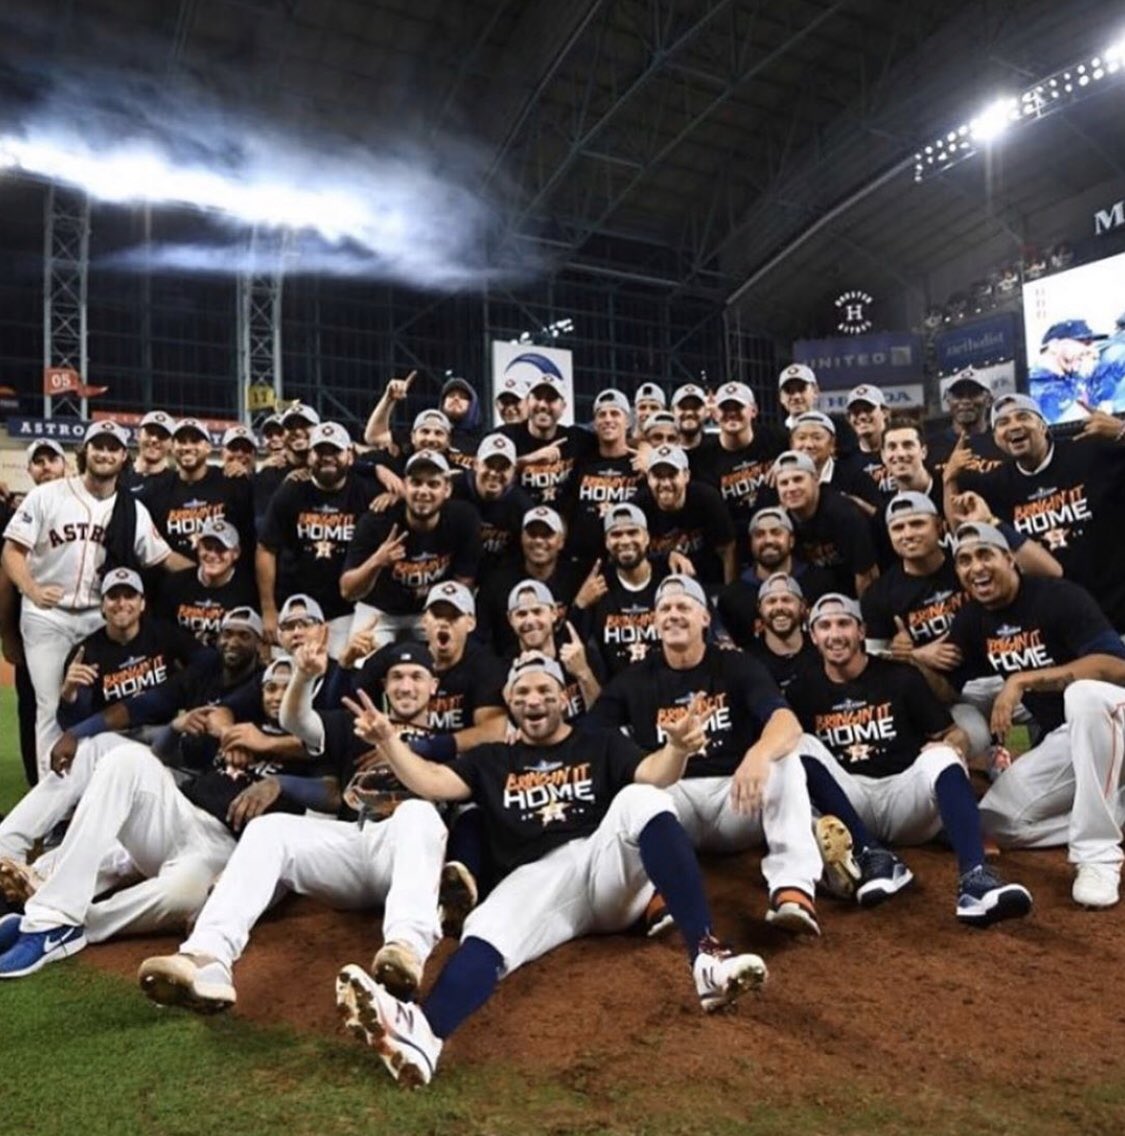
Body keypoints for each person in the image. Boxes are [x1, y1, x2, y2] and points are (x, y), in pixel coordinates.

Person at [334, 652, 769, 1087]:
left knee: (644, 800)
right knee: (486, 928)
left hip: (603, 866)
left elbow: (654, 774)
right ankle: (424, 1035)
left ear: (564, 697)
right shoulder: (490, 760)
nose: (533, 699)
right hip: (536, 880)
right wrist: (388, 742)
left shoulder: (600, 742)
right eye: (522, 691)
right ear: (508, 700)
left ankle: (708, 959)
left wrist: (675, 749)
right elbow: (431, 782)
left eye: (544, 689)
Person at [137, 638, 452, 1011]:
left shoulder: (451, 741)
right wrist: (303, 676)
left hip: (404, 851)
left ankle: (406, 949)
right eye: (397, 676)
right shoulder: (359, 723)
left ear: (434, 686)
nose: (405, 685)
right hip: (355, 840)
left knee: (417, 813)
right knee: (271, 830)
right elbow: (296, 721)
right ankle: (206, 960)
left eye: (417, 676)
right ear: (384, 684)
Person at [0, 660, 306, 977]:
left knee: (181, 894)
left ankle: (65, 917)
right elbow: (172, 752)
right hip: (183, 815)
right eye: (270, 688)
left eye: (287, 688)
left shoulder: (315, 747)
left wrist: (276, 771)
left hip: (225, 850)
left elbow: (321, 807)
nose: (276, 696)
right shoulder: (242, 724)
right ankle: (52, 912)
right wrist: (220, 733)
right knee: (125, 759)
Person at [593, 574, 824, 935]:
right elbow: (594, 738)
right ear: (654, 621)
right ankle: (655, 893)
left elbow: (787, 722)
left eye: (683, 606)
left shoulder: (736, 664)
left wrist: (759, 753)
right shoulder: (633, 679)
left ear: (705, 618)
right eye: (665, 608)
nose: (673, 615)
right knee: (634, 792)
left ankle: (793, 889)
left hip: (736, 799)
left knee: (786, 761)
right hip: (672, 803)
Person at [789, 593, 1033, 926]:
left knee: (943, 755)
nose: (835, 634)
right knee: (797, 744)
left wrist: (951, 745)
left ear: (861, 632)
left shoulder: (899, 676)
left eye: (844, 623)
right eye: (825, 626)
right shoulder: (802, 689)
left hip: (905, 799)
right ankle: (871, 855)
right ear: (813, 636)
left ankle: (975, 880)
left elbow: (954, 732)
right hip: (850, 804)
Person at [938, 523, 1125, 909]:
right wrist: (916, 656)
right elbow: (950, 690)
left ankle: (1097, 855)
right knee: (994, 820)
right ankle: (1114, 811)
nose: (976, 567)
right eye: (964, 560)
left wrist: (1023, 679)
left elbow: (1115, 667)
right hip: (1074, 738)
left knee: (1084, 695)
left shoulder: (1059, 597)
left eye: (985, 554)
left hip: (1114, 713)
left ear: (1011, 560)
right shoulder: (972, 620)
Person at [1, 421, 191, 779]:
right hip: (48, 616)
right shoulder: (48, 496)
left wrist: (214, 575)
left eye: (112, 447)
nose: (104, 453)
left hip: (97, 617)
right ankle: (51, 807)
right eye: (97, 446)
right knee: (51, 707)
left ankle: (89, 792)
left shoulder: (132, 509)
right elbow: (11, 553)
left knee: (98, 708)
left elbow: (163, 557)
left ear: (123, 457)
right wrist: (32, 589)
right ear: (84, 452)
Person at [945, 393, 1125, 631]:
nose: (1014, 426)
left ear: (1043, 425)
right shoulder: (998, 483)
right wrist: (949, 478)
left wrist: (1122, 430)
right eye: (1003, 423)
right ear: (996, 439)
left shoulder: (1089, 452)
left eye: (1023, 417)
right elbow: (961, 528)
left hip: (1116, 602)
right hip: (1060, 617)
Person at [258, 421, 378, 653]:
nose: (327, 457)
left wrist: (389, 492)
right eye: (320, 451)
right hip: (296, 609)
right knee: (289, 680)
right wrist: (269, 609)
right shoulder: (291, 490)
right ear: (309, 456)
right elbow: (266, 548)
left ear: (350, 456)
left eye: (334, 451)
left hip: (347, 611)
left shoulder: (366, 491)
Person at [342, 450, 481, 650]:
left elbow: (463, 583)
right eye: (416, 483)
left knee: (453, 657)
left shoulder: (463, 518)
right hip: (379, 609)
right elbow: (347, 590)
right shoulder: (377, 521)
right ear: (405, 486)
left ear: (447, 489)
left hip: (431, 610)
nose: (423, 491)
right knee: (358, 661)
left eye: (433, 484)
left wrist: (445, 622)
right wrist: (376, 562)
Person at [0, 439, 68, 786]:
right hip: (34, 632)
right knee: (34, 710)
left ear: (65, 465)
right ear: (29, 471)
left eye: (51, 459)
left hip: (78, 632)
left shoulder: (85, 508)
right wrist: (8, 635)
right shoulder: (19, 517)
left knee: (77, 709)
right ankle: (38, 787)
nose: (45, 466)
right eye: (37, 462)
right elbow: (6, 580)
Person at [717, 506, 836, 649]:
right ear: (751, 543)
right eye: (759, 534)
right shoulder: (732, 597)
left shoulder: (821, 583)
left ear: (791, 540)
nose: (768, 540)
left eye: (776, 532)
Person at [139, 417, 255, 561]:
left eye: (195, 441)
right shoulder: (156, 491)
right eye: (181, 441)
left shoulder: (231, 482)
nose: (187, 447)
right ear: (172, 447)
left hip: (224, 578)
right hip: (175, 579)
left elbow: (249, 540)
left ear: (208, 448)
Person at [475, 505, 584, 657]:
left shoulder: (575, 580)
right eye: (532, 534)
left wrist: (579, 606)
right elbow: (481, 639)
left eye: (547, 535)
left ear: (561, 541)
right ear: (522, 538)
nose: (538, 541)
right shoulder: (496, 583)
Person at [571, 503, 666, 676]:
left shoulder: (668, 578)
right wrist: (580, 605)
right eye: (616, 534)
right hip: (616, 693)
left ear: (647, 538)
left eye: (632, 532)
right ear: (607, 542)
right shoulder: (597, 586)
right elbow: (569, 647)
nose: (624, 541)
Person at [772, 450, 878, 598]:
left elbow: (867, 574)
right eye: (784, 483)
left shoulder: (843, 513)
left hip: (854, 591)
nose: (791, 488)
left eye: (798, 479)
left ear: (815, 479)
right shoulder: (781, 521)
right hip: (816, 593)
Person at [693, 381, 784, 539]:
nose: (732, 413)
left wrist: (786, 461)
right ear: (714, 414)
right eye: (725, 408)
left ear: (754, 410)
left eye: (738, 407)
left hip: (775, 533)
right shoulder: (703, 456)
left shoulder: (776, 439)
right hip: (730, 538)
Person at [564, 389, 644, 569]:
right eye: (602, 415)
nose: (608, 419)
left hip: (626, 560)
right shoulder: (581, 462)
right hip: (581, 562)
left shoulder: (640, 464)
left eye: (615, 413)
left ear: (628, 421)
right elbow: (567, 508)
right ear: (594, 423)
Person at [639, 444, 736, 591]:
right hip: (658, 588)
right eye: (658, 476)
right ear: (648, 478)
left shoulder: (707, 498)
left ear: (686, 475)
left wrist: (730, 594)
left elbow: (728, 549)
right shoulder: (639, 506)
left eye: (672, 475)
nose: (665, 483)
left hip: (707, 583)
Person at [506, 579, 601, 721]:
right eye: (521, 614)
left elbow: (603, 717)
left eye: (537, 611)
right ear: (510, 620)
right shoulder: (505, 668)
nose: (530, 621)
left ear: (554, 613)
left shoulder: (581, 654)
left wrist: (583, 673)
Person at [156, 518, 259, 647]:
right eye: (207, 547)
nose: (212, 555)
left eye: (221, 549)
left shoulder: (248, 589)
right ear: (198, 549)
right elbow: (163, 634)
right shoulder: (175, 584)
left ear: (235, 553)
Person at [500, 372, 597, 506]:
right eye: (537, 397)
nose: (543, 405)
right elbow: (484, 474)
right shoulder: (507, 436)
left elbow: (614, 444)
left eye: (551, 399)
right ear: (527, 401)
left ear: (563, 407)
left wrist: (637, 448)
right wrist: (529, 460)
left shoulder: (576, 438)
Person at [450, 434, 534, 573]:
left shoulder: (521, 505)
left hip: (496, 576)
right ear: (476, 464)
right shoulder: (452, 489)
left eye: (503, 467)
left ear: (513, 472)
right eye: (489, 465)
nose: (494, 473)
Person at [743, 572, 819, 694]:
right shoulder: (748, 661)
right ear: (760, 609)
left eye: (786, 600)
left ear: (802, 606)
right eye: (771, 601)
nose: (779, 607)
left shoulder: (821, 651)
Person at [926, 369, 1004, 477]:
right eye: (958, 395)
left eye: (973, 394)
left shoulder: (1002, 441)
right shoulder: (931, 446)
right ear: (948, 401)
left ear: (989, 400)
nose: (965, 401)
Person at [1028, 319, 1106, 423]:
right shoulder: (1035, 389)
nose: (1093, 351)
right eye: (1085, 343)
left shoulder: (1075, 380)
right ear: (1054, 345)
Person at [841, 385, 892, 494]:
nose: (862, 416)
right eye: (856, 412)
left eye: (868, 409)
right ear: (849, 419)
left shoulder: (900, 452)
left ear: (885, 412)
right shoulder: (845, 463)